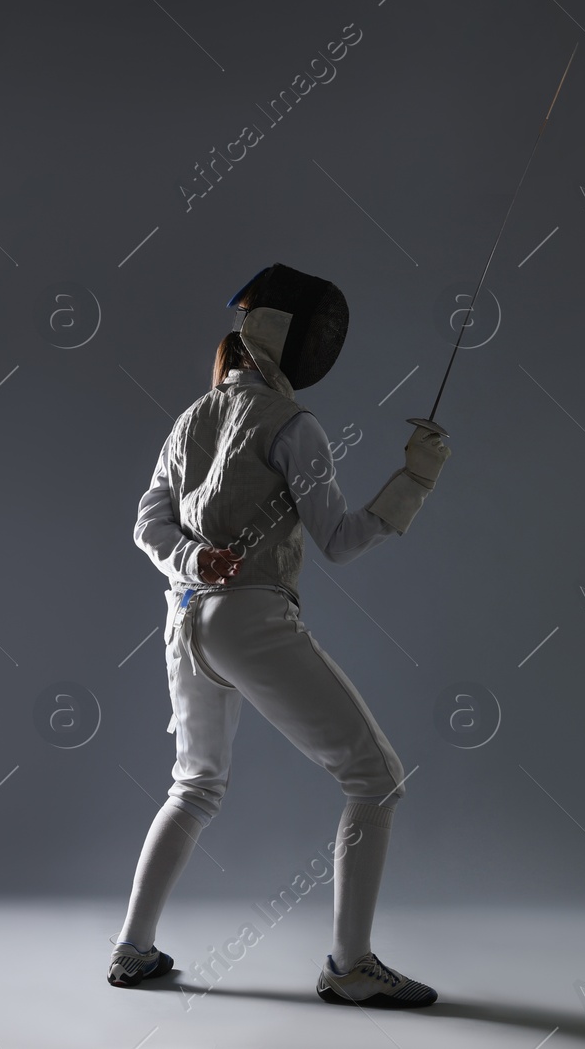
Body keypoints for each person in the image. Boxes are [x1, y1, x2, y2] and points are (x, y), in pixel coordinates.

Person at [108, 263, 450, 1008]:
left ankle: (133, 950)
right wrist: (414, 481)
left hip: (184, 621)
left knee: (194, 784)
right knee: (375, 777)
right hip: (247, 619)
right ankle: (350, 966)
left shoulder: (190, 418)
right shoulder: (295, 426)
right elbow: (341, 539)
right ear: (291, 341)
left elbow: (148, 525)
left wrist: (194, 557)